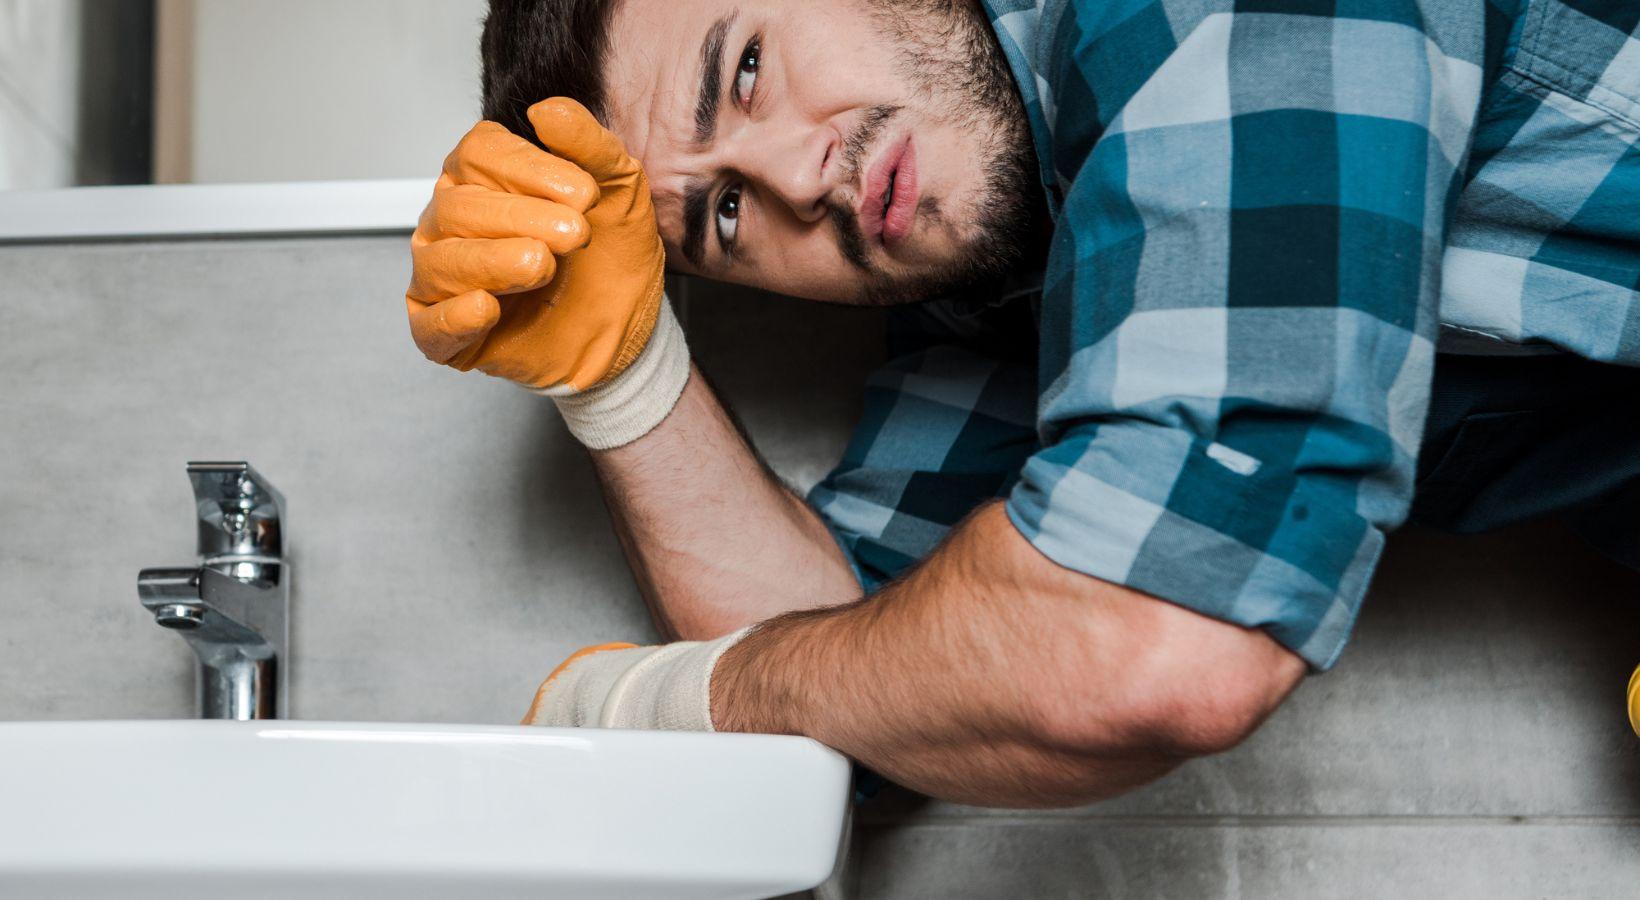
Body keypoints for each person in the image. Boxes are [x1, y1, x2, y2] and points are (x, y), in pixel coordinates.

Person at [403, 0, 1640, 807]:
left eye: (745, 70)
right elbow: (885, 698)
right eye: (719, 217)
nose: (791, 178)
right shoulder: (1009, 262)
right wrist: (624, 380)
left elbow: (1156, 637)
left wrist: (673, 702)